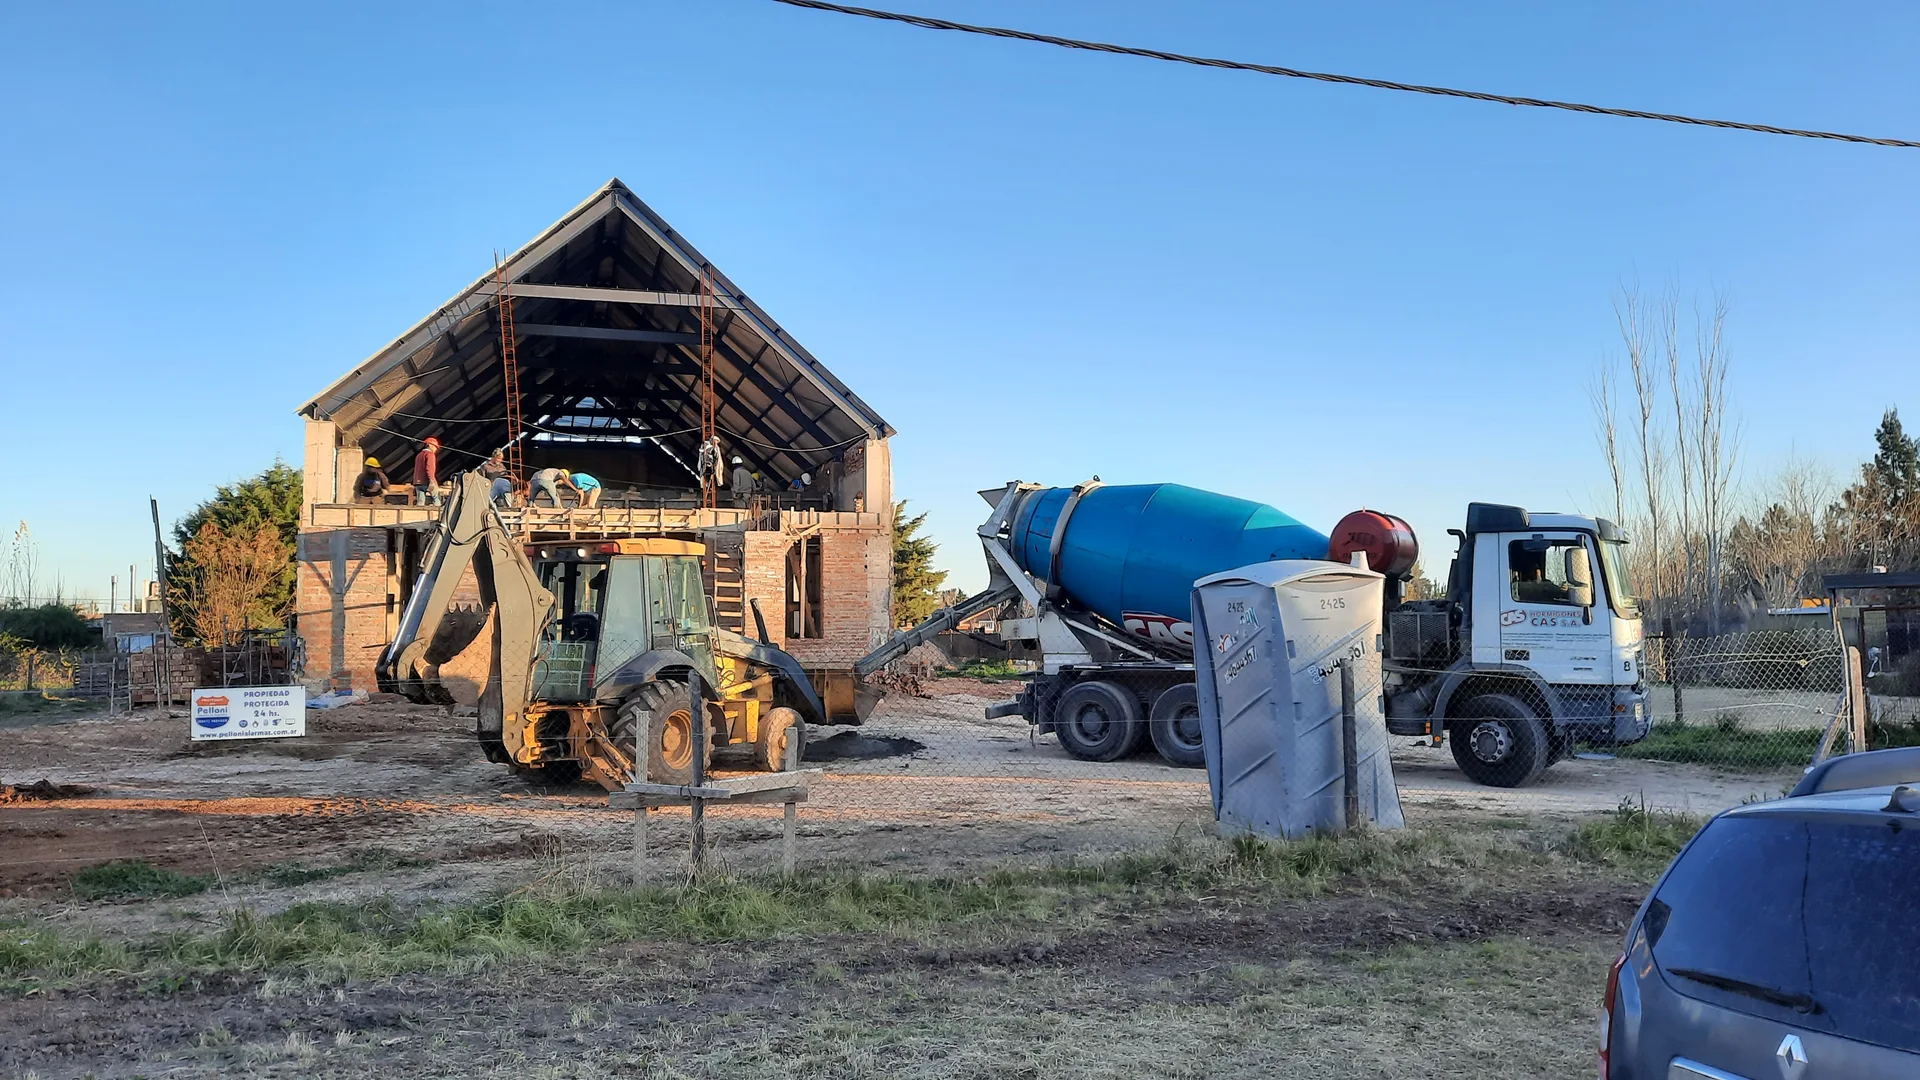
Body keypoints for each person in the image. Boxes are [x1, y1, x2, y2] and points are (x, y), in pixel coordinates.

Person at [412, 437, 441, 506]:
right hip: (426, 482)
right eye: (435, 447)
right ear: (430, 445)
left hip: (418, 483)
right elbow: (429, 468)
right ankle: (439, 514)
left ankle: (419, 515)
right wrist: (431, 480)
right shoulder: (430, 455)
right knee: (436, 498)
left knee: (420, 502)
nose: (436, 449)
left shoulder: (419, 455)